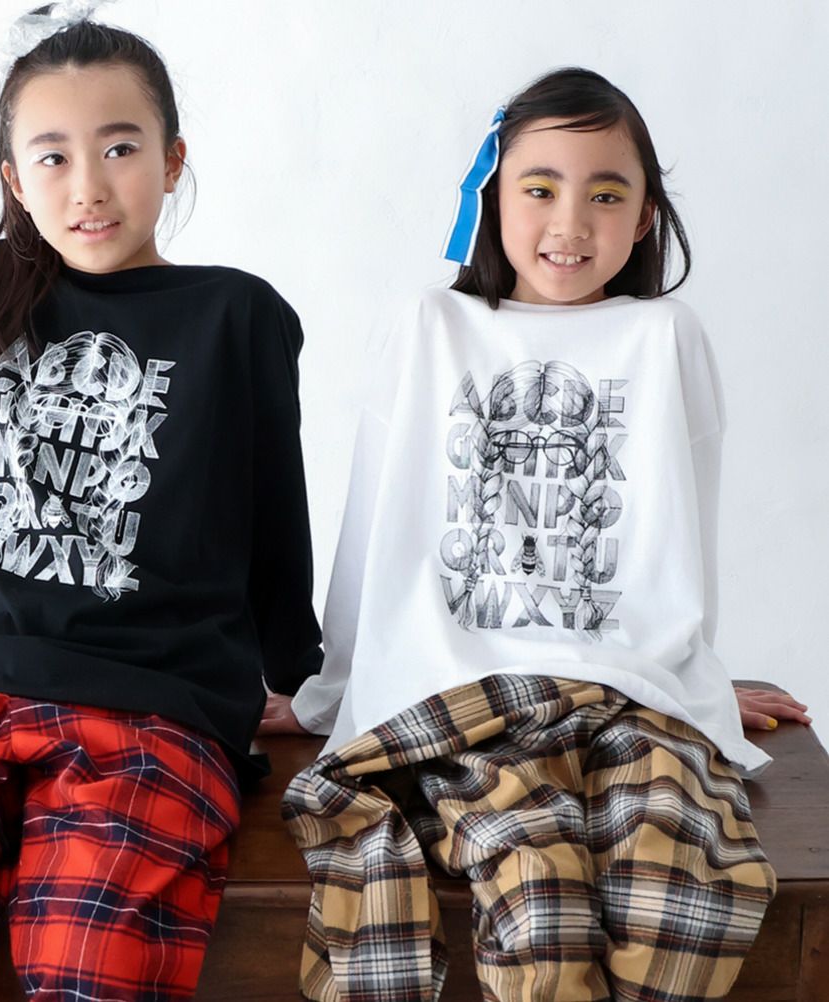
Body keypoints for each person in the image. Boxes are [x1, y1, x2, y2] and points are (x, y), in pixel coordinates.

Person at [263, 67, 809, 1002]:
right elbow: (374, 526)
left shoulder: (667, 336)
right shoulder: (430, 325)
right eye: (541, 188)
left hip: (624, 696)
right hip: (459, 692)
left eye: (607, 195)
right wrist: (331, 693)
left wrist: (697, 676)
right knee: (535, 890)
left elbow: (684, 534)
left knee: (682, 878)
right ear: (490, 199)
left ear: (645, 217)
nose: (572, 222)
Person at [0, 4, 321, 1000]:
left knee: (98, 956)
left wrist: (298, 678)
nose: (89, 186)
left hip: (146, 693)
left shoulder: (236, 312)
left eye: (121, 148)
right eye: (52, 157)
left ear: (174, 161)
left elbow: (272, 513)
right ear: (14, 179)